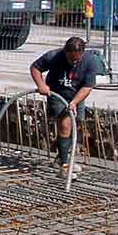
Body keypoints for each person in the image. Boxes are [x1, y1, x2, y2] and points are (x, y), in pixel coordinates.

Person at [30, 37, 97, 179]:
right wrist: (41, 85)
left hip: (76, 95)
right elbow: (35, 68)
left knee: (76, 123)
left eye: (76, 60)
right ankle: (64, 167)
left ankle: (61, 157)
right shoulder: (54, 56)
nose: (73, 62)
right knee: (65, 125)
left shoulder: (90, 61)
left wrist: (74, 102)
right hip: (57, 93)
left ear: (82, 54)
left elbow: (87, 87)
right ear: (65, 52)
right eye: (71, 59)